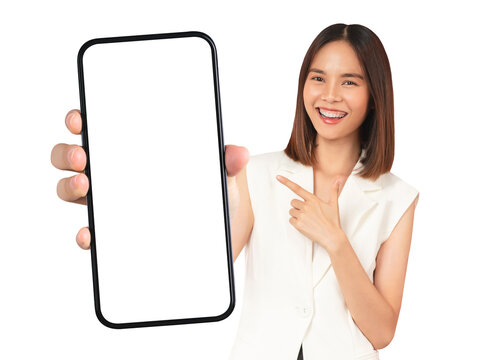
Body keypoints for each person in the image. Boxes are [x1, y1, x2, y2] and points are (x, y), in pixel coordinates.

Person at [51, 23, 419, 360]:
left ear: (374, 95)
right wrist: (136, 190)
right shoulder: (256, 173)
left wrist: (336, 242)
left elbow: (382, 332)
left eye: (350, 82)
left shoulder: (396, 197)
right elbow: (198, 270)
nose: (330, 95)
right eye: (318, 78)